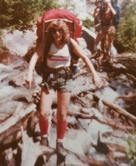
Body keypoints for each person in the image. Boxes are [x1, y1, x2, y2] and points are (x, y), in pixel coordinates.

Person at [26, 19, 102, 158]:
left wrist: (95, 75)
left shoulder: (70, 43)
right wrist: (29, 74)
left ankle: (59, 143)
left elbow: (85, 57)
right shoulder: (47, 43)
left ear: (64, 31)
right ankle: (44, 137)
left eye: (60, 31)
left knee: (62, 114)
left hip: (65, 78)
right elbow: (35, 57)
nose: (57, 34)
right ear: (51, 32)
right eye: (54, 31)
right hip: (49, 78)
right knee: (43, 112)